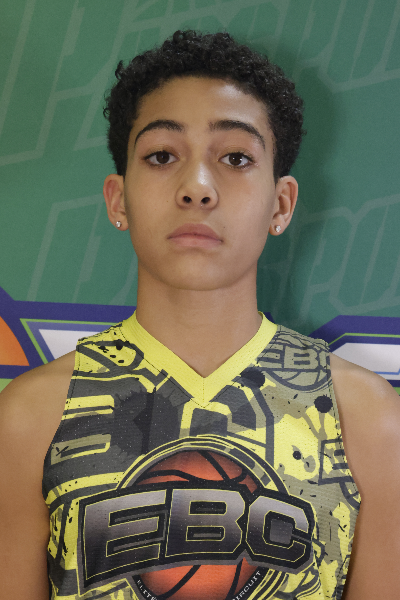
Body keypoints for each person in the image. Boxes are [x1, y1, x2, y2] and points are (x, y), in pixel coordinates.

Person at [0, 30, 399, 600]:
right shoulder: (30, 417)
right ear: (118, 198)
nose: (197, 187)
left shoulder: (366, 419)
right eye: (162, 156)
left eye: (235, 158)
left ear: (281, 203)